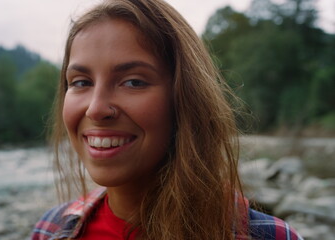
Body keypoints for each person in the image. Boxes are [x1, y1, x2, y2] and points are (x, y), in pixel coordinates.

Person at [32, 0, 303, 239]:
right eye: (81, 82)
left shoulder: (271, 236)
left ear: (186, 98)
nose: (95, 109)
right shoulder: (49, 230)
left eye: (133, 81)